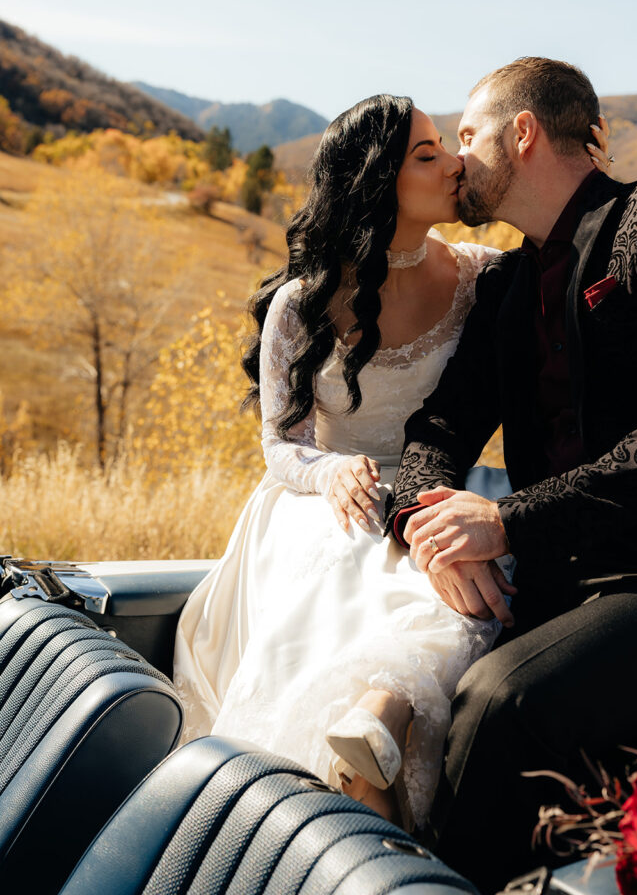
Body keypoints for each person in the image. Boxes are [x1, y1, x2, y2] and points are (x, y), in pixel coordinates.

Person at [173, 92, 610, 831]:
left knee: (468, 581)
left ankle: (377, 738)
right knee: (358, 567)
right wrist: (328, 472)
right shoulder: (301, 303)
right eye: (428, 152)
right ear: (379, 180)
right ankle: (350, 797)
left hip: (425, 486)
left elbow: (461, 417)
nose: (454, 163)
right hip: (322, 500)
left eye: (450, 143)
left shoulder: (479, 277)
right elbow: (280, 446)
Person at [385, 57, 637, 892]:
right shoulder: (508, 284)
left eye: (469, 135)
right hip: (553, 577)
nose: (457, 158)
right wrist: (427, 524)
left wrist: (506, 521)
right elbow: (438, 427)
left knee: (497, 701)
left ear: (522, 133)